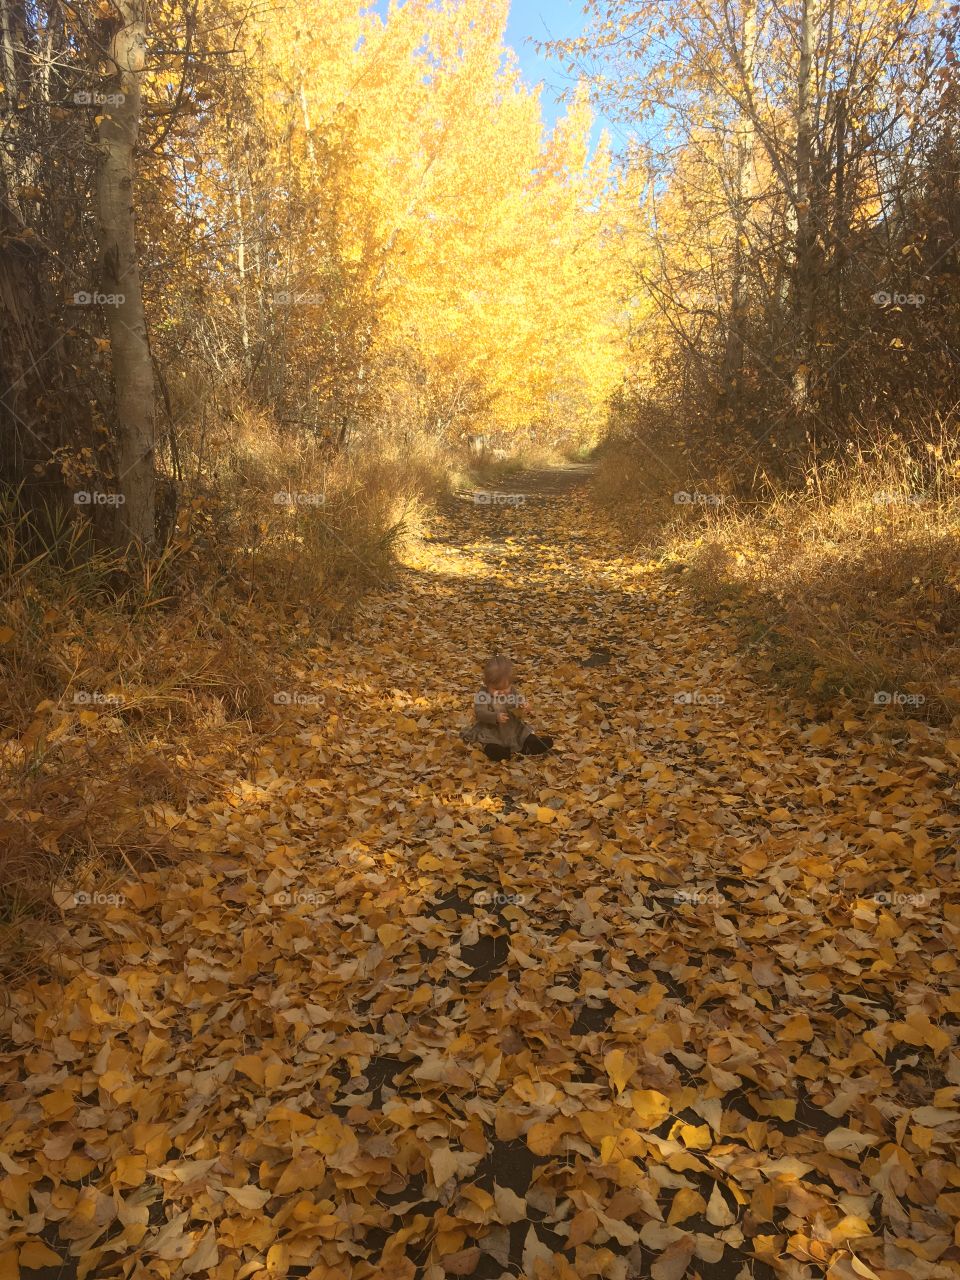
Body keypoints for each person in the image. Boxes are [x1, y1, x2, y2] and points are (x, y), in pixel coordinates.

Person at [461, 654, 554, 761]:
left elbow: (519, 700)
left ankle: (530, 746)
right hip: (492, 730)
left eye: (506, 688)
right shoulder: (482, 695)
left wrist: (525, 706)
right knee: (489, 742)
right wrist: (495, 717)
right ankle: (498, 752)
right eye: (496, 689)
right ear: (487, 684)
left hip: (512, 727)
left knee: (524, 734)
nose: (502, 692)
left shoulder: (512, 691)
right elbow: (480, 712)